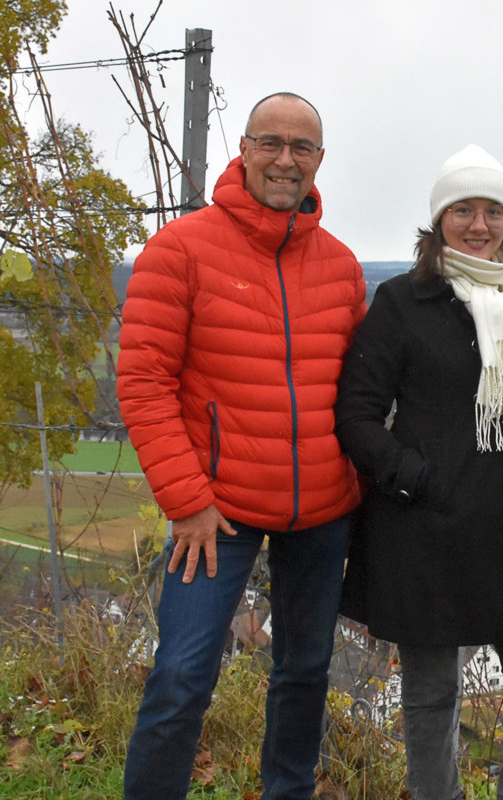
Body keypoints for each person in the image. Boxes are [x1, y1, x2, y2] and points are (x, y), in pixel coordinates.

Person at [117, 92, 365, 800]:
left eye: (302, 148)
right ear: (245, 148)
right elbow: (142, 382)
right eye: (271, 142)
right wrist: (187, 500)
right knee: (182, 674)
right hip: (214, 512)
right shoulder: (180, 250)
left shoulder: (343, 266)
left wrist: (363, 491)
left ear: (319, 161)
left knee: (305, 671)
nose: (286, 160)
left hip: (320, 509)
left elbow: (360, 391)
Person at [335, 144, 503, 800]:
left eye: (493, 210)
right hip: (428, 527)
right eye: (464, 209)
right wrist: (415, 479)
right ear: (439, 218)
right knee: (432, 696)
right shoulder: (402, 302)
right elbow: (357, 414)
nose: (479, 224)